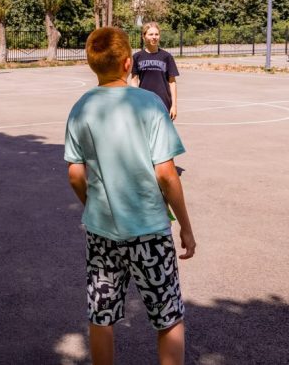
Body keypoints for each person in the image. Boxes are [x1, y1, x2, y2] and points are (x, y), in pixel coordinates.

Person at [65, 27, 196, 365]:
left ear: (92, 64)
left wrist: (93, 205)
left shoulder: (81, 108)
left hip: (102, 231)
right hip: (149, 230)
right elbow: (166, 174)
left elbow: (76, 174)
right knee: (167, 315)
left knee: (102, 314)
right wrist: (185, 226)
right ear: (128, 63)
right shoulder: (149, 103)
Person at [130, 22, 179, 119]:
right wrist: (135, 100)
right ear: (144, 37)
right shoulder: (137, 57)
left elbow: (172, 82)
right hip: (143, 103)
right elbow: (134, 81)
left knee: (162, 134)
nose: (154, 37)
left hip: (163, 103)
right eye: (151, 34)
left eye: (156, 34)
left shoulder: (167, 57)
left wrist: (174, 106)